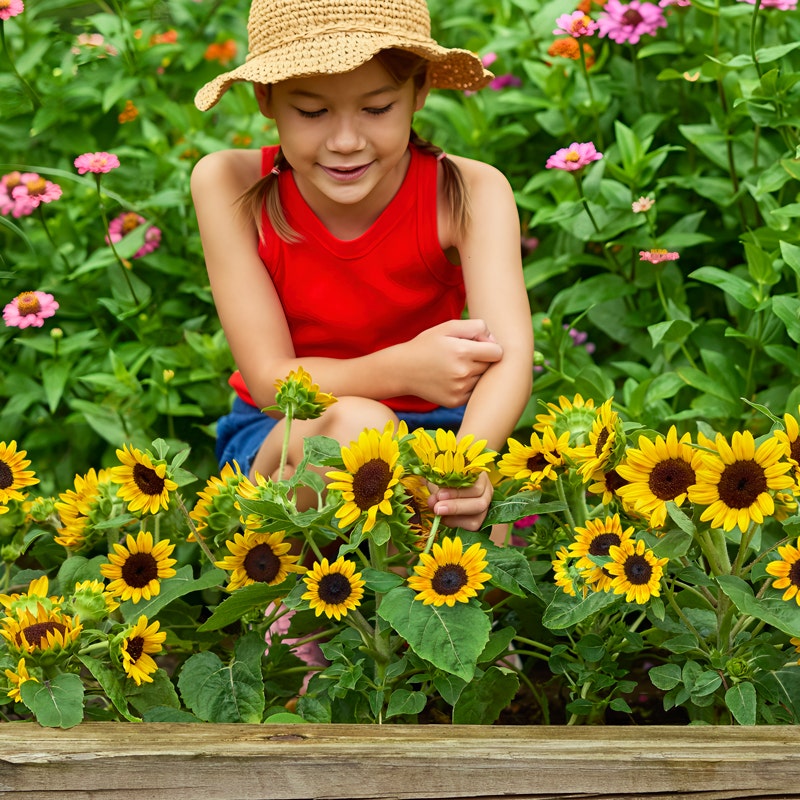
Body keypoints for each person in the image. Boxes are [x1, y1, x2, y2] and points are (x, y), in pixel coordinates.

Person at [191, 0, 533, 533]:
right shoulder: (229, 185)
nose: (346, 142)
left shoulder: (469, 190)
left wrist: (462, 465)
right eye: (311, 112)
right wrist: (402, 369)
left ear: (418, 90)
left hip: (440, 434)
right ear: (266, 97)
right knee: (357, 428)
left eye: (377, 109)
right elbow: (268, 382)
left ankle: (359, 606)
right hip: (283, 436)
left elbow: (509, 356)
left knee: (475, 533)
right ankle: (288, 593)